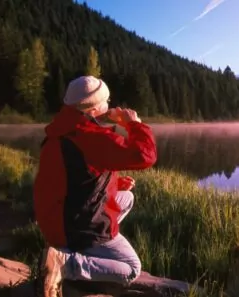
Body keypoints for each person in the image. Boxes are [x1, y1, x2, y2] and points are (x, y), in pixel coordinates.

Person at [33, 75, 157, 297]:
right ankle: (65, 263)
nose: (109, 105)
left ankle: (72, 250)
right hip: (77, 226)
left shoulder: (62, 129)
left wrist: (115, 183)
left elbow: (74, 177)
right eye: (106, 101)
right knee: (131, 269)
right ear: (93, 108)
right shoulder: (90, 136)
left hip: (56, 219)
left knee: (126, 198)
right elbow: (144, 155)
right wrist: (133, 124)